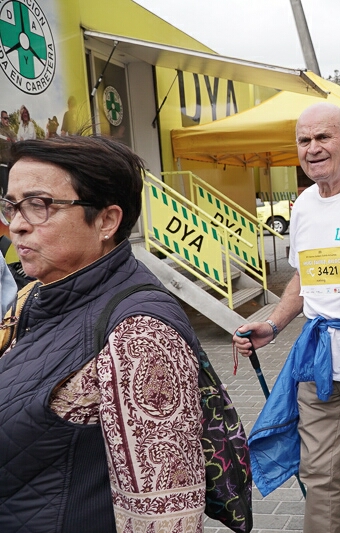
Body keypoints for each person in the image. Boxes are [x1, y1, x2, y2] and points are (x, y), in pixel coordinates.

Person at [0, 136, 205, 531]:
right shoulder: (34, 296)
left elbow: (163, 520)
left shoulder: (140, 336)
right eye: (12, 205)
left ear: (107, 221)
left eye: (39, 205)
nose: (17, 225)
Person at [233, 102, 340, 533]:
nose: (312, 148)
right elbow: (303, 278)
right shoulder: (306, 204)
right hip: (318, 362)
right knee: (318, 473)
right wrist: (273, 325)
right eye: (304, 140)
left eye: (323, 137)